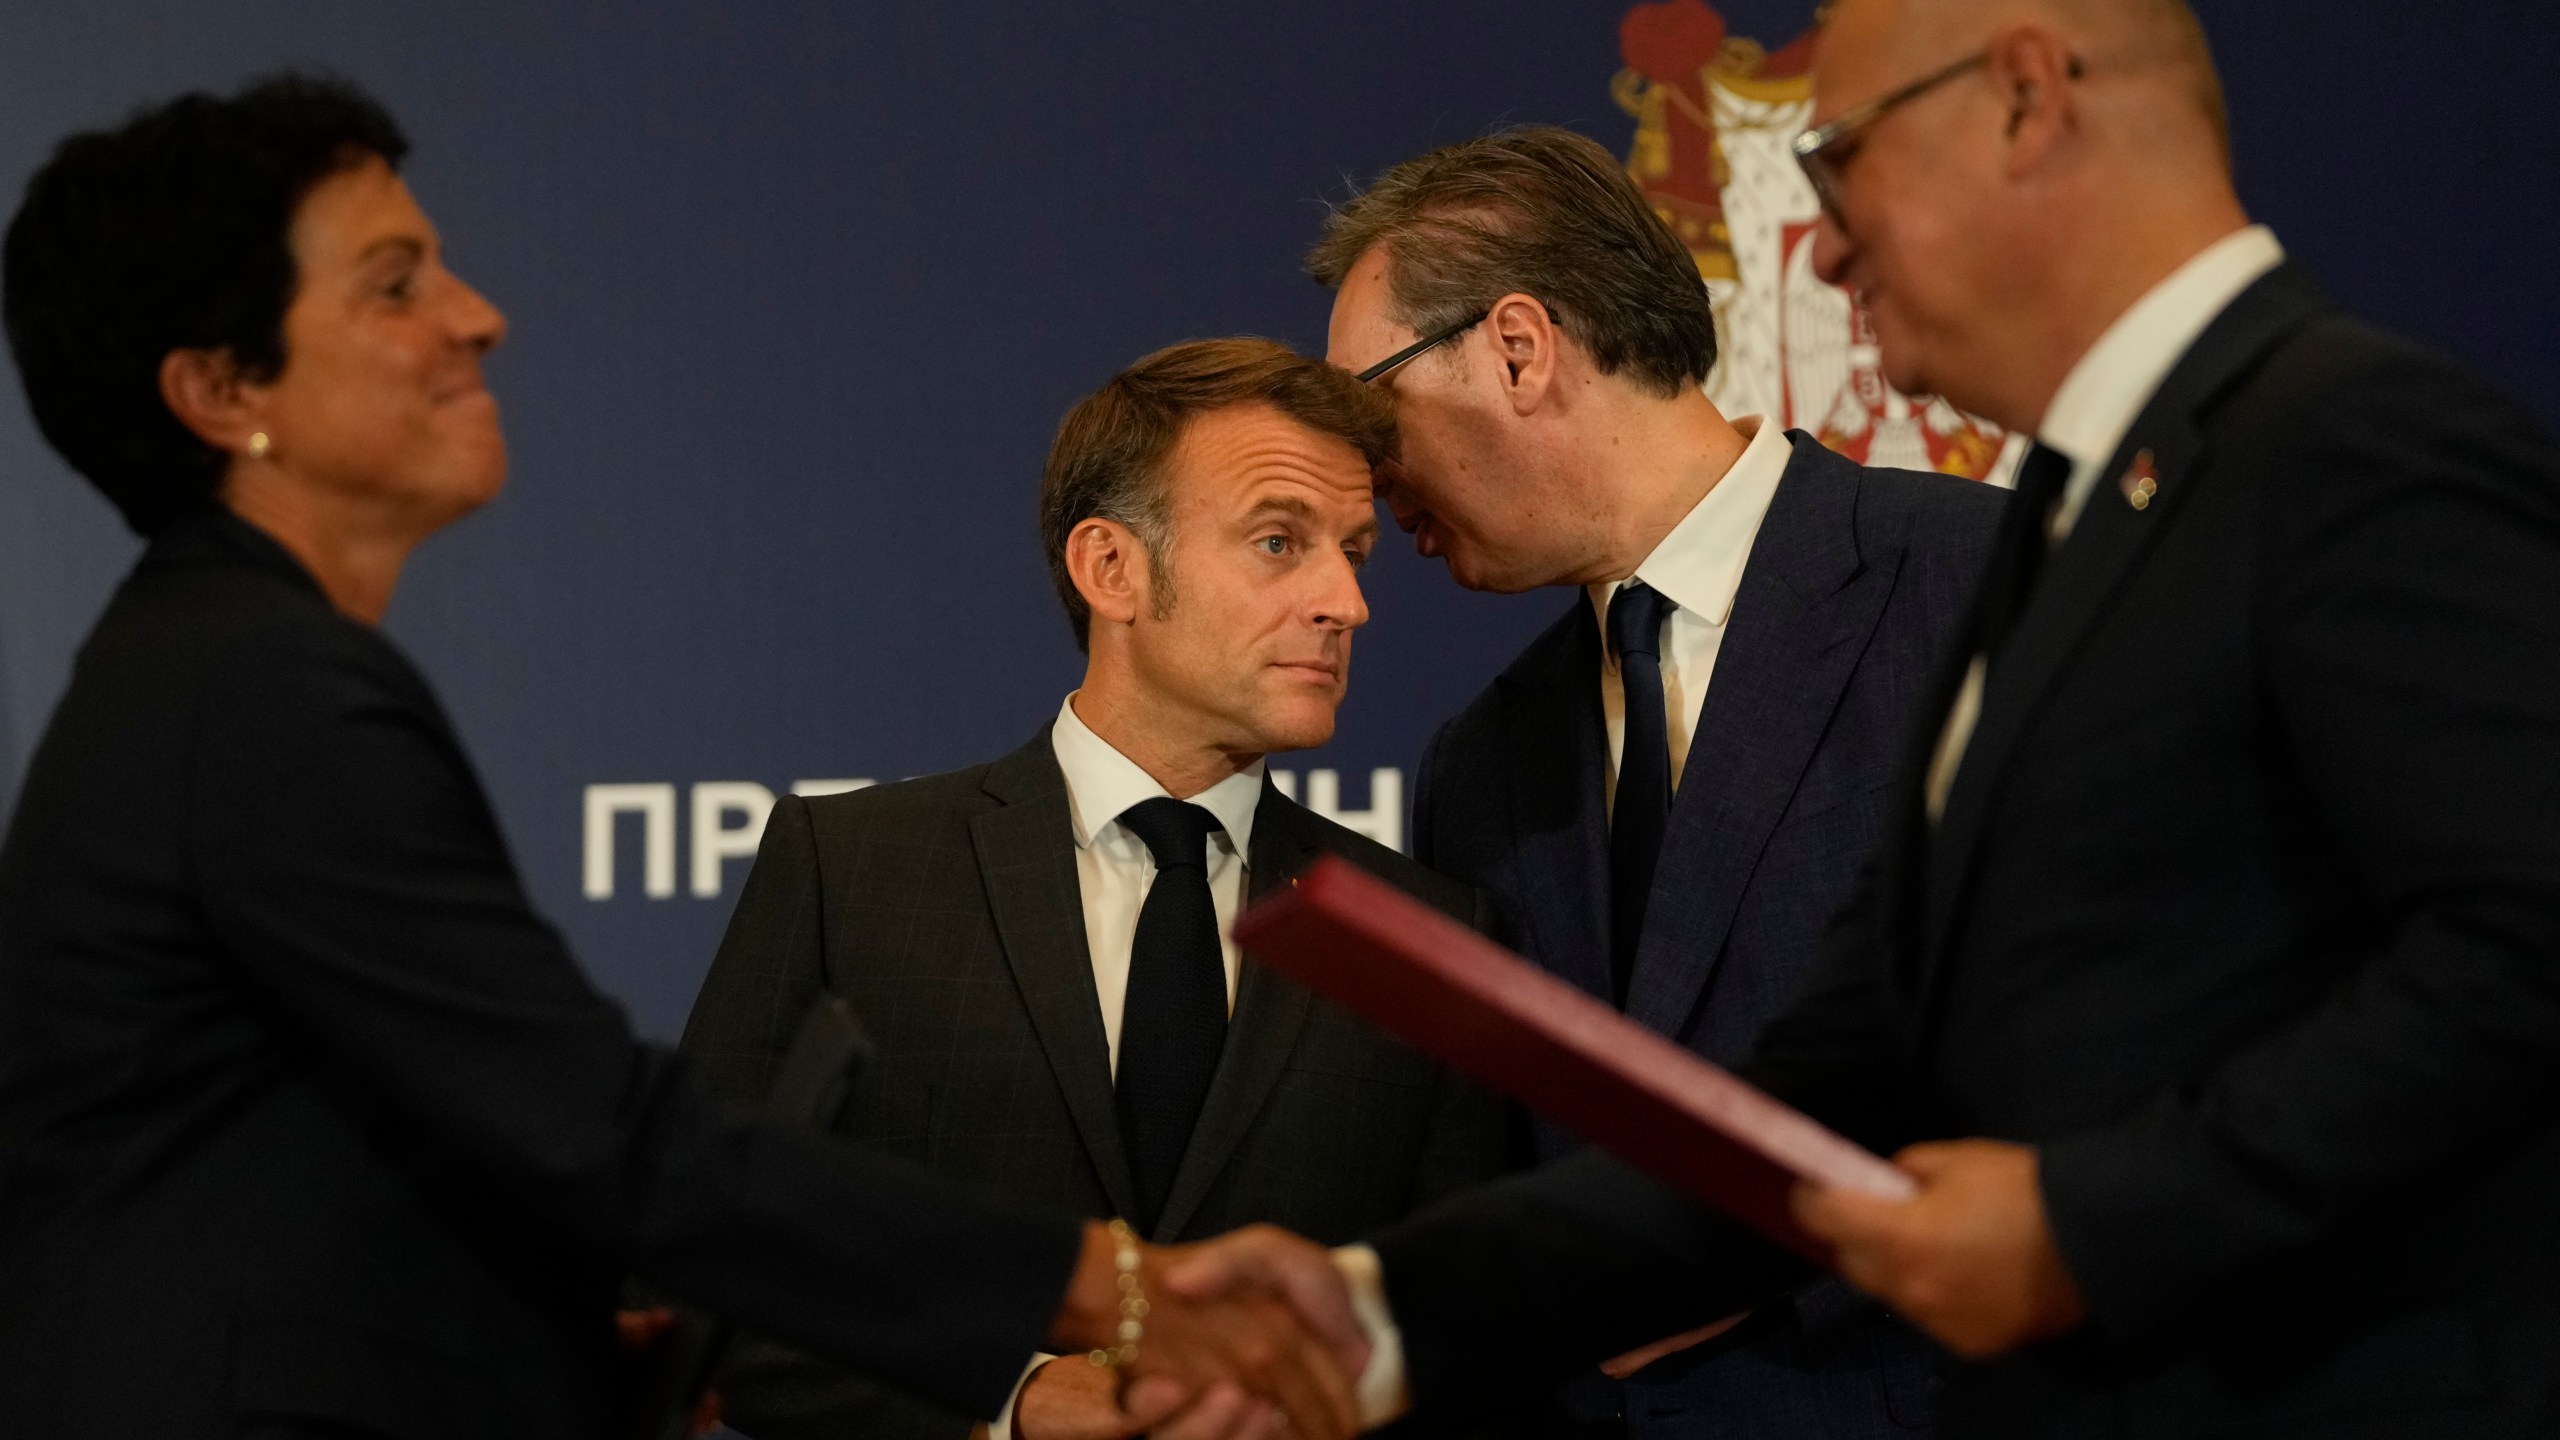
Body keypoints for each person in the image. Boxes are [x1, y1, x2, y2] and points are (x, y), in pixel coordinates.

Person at [1178, 2, 2560, 1435]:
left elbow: (2529, 948)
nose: (1823, 246)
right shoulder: (2071, 544)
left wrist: (2080, 1224)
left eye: (1840, 161)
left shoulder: (2356, 445)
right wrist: (1395, 1311)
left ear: (2027, 97)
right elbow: (1834, 1087)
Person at [0, 75, 1363, 1440]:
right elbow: (605, 1138)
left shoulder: (219, 666)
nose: (479, 316)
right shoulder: (259, 689)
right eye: (394, 284)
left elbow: (345, 1184)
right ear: (224, 387)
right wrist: (1112, 1286)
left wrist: (588, 1353)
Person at [680, 337, 1518, 1440]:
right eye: (1280, 541)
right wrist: (1016, 1399)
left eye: (1354, 551)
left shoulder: (1419, 933)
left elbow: (1468, 1329)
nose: (1346, 601)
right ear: (1110, 569)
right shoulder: (850, 872)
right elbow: (699, 1274)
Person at [1306, 126, 2003, 1439]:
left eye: (1367, 408)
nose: (1360, 473)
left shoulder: (1986, 588)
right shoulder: (1486, 755)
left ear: (1518, 348)